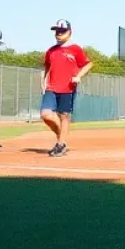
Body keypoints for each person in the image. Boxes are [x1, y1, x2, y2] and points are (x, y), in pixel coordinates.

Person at [41, 20, 93, 157]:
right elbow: (47, 66)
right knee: (46, 114)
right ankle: (61, 137)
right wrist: (44, 80)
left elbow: (88, 64)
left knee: (64, 115)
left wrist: (78, 76)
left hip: (68, 87)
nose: (58, 34)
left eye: (62, 31)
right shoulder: (51, 51)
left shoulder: (75, 49)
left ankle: (60, 144)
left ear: (69, 32)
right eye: (57, 31)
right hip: (51, 87)